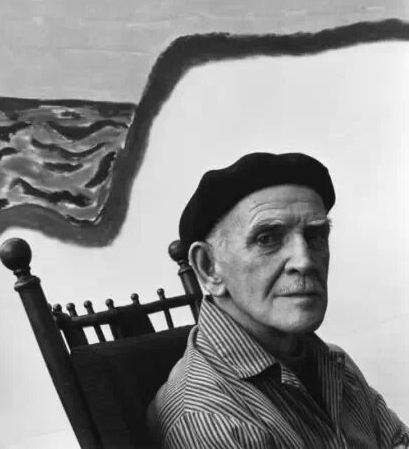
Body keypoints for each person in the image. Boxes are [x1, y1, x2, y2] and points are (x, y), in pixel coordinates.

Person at [147, 152, 408, 448]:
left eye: (315, 236)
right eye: (267, 239)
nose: (304, 260)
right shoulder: (206, 416)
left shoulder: (335, 364)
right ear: (209, 268)